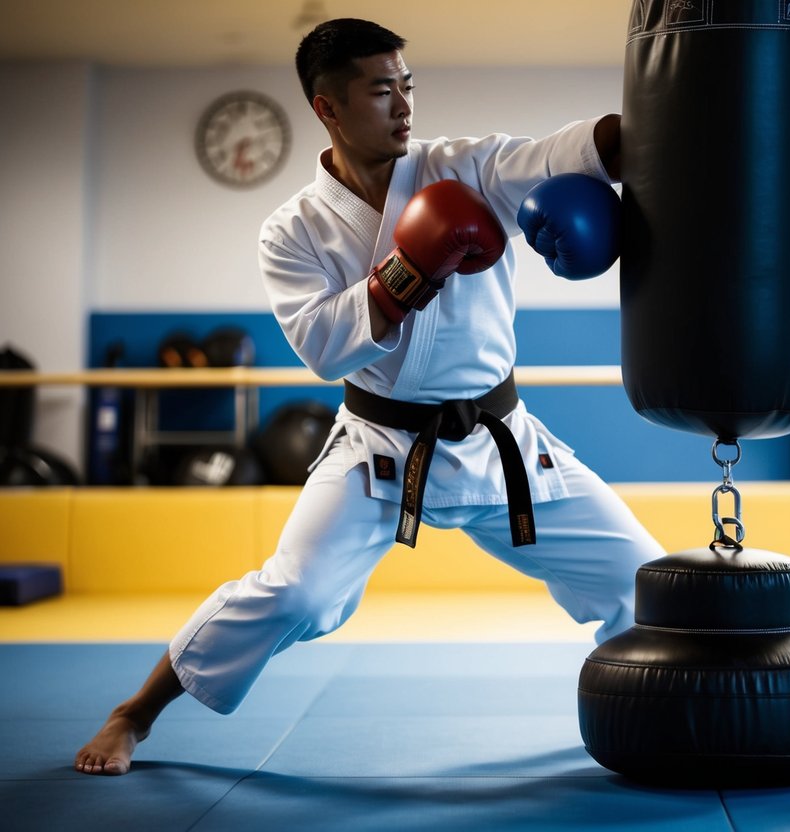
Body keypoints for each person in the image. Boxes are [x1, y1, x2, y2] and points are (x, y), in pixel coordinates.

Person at [75, 17, 663, 776]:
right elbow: (323, 348)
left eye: (407, 86)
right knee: (294, 596)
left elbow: (565, 152)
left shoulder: (465, 170)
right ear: (327, 107)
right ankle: (135, 714)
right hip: (379, 452)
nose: (403, 105)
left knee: (644, 582)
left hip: (503, 442)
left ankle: (660, 719)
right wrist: (408, 270)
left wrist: (667, 118)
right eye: (381, 90)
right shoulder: (292, 229)